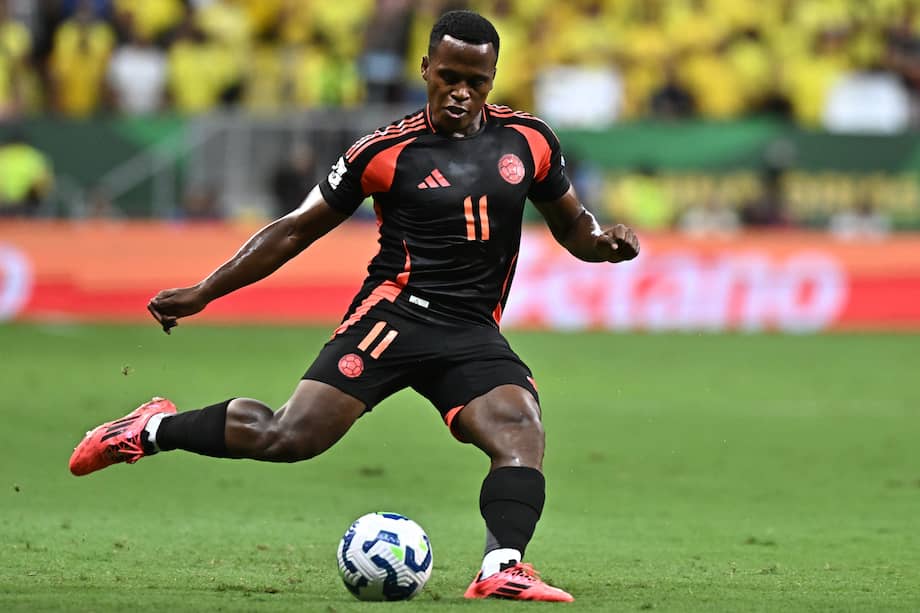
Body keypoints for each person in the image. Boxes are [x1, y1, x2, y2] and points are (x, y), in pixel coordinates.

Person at [69, 10, 639, 602]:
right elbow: (294, 230)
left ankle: (502, 566)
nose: (461, 92)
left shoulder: (530, 141)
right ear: (424, 69)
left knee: (521, 429)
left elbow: (573, 224)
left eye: (477, 80)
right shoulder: (384, 150)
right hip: (395, 319)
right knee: (288, 437)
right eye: (448, 76)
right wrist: (205, 290)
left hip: (471, 330)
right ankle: (149, 429)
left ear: (494, 77)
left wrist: (603, 245)